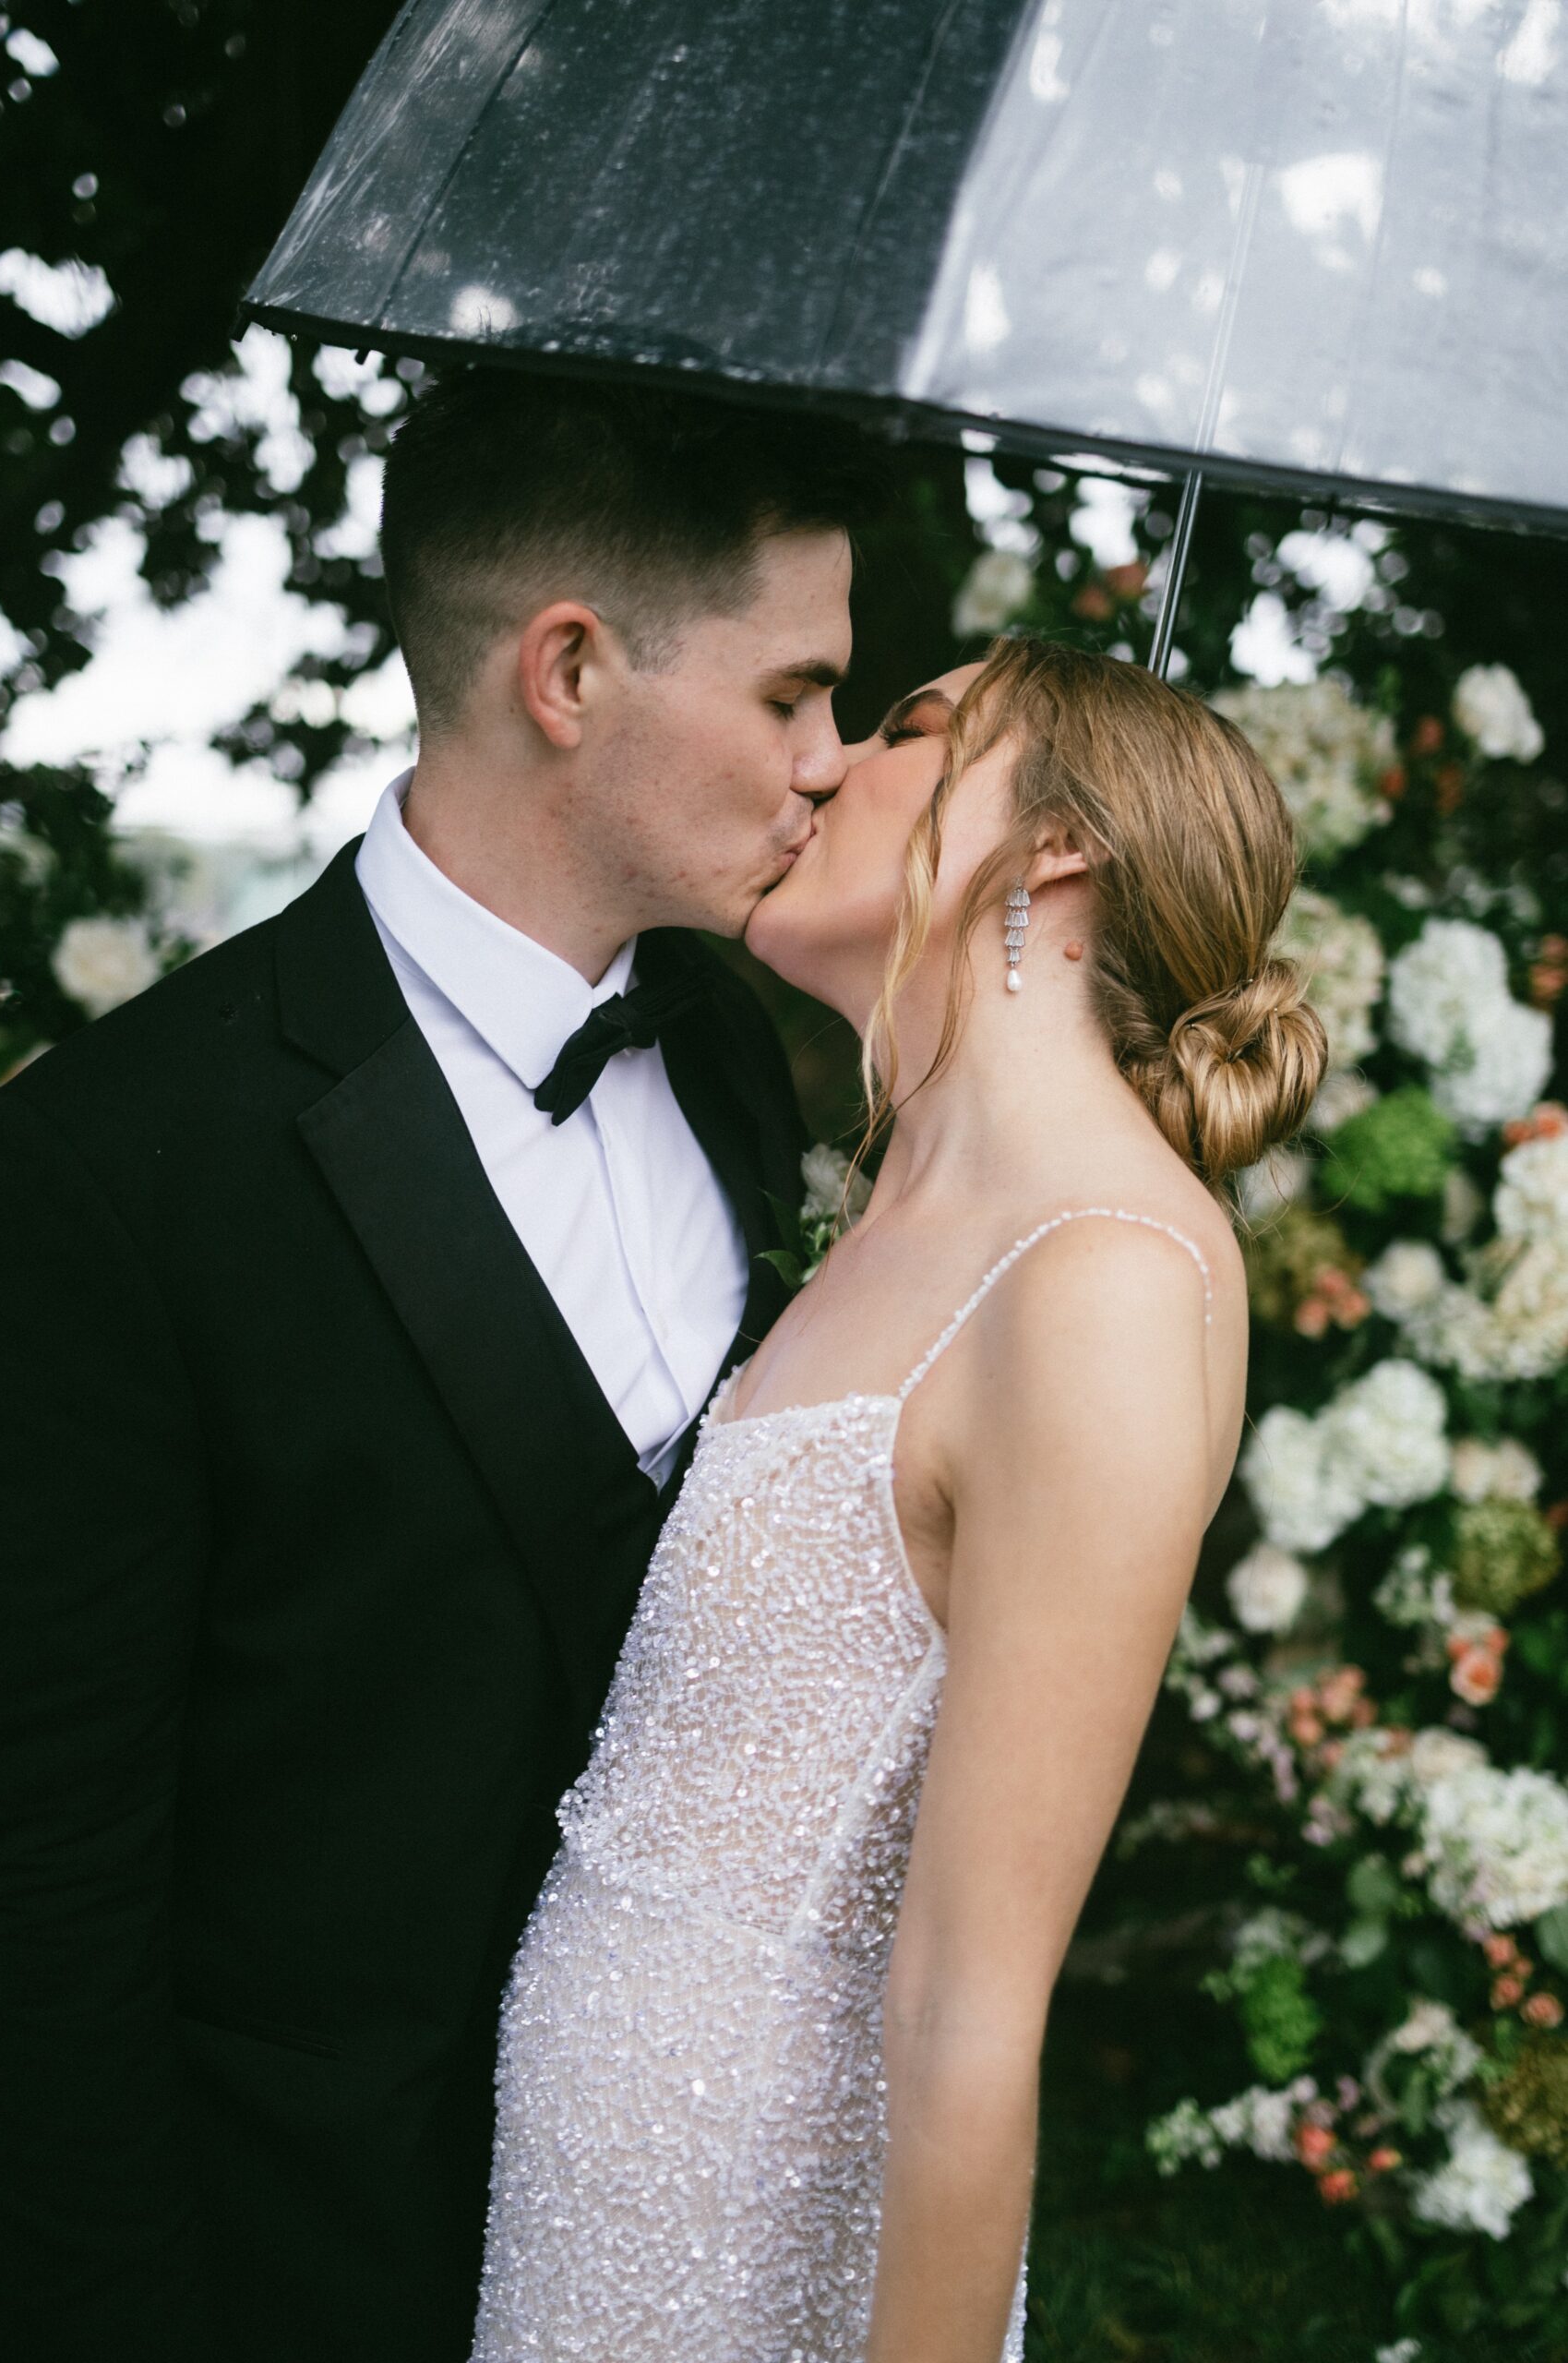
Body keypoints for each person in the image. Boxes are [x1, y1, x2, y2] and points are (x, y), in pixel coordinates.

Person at [0, 368, 887, 2363]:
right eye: (787, 694)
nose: (831, 761)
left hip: (693, 2216)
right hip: (294, 2256)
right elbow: (43, 1873)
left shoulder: (734, 1057)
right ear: (566, 672)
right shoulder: (114, 1163)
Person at [470, 635, 1329, 2362]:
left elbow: (968, 2014)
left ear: (1058, 845)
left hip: (758, 2251)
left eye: (906, 730)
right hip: (590, 2226)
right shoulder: (882, 1225)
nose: (824, 762)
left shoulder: (1106, 1281)